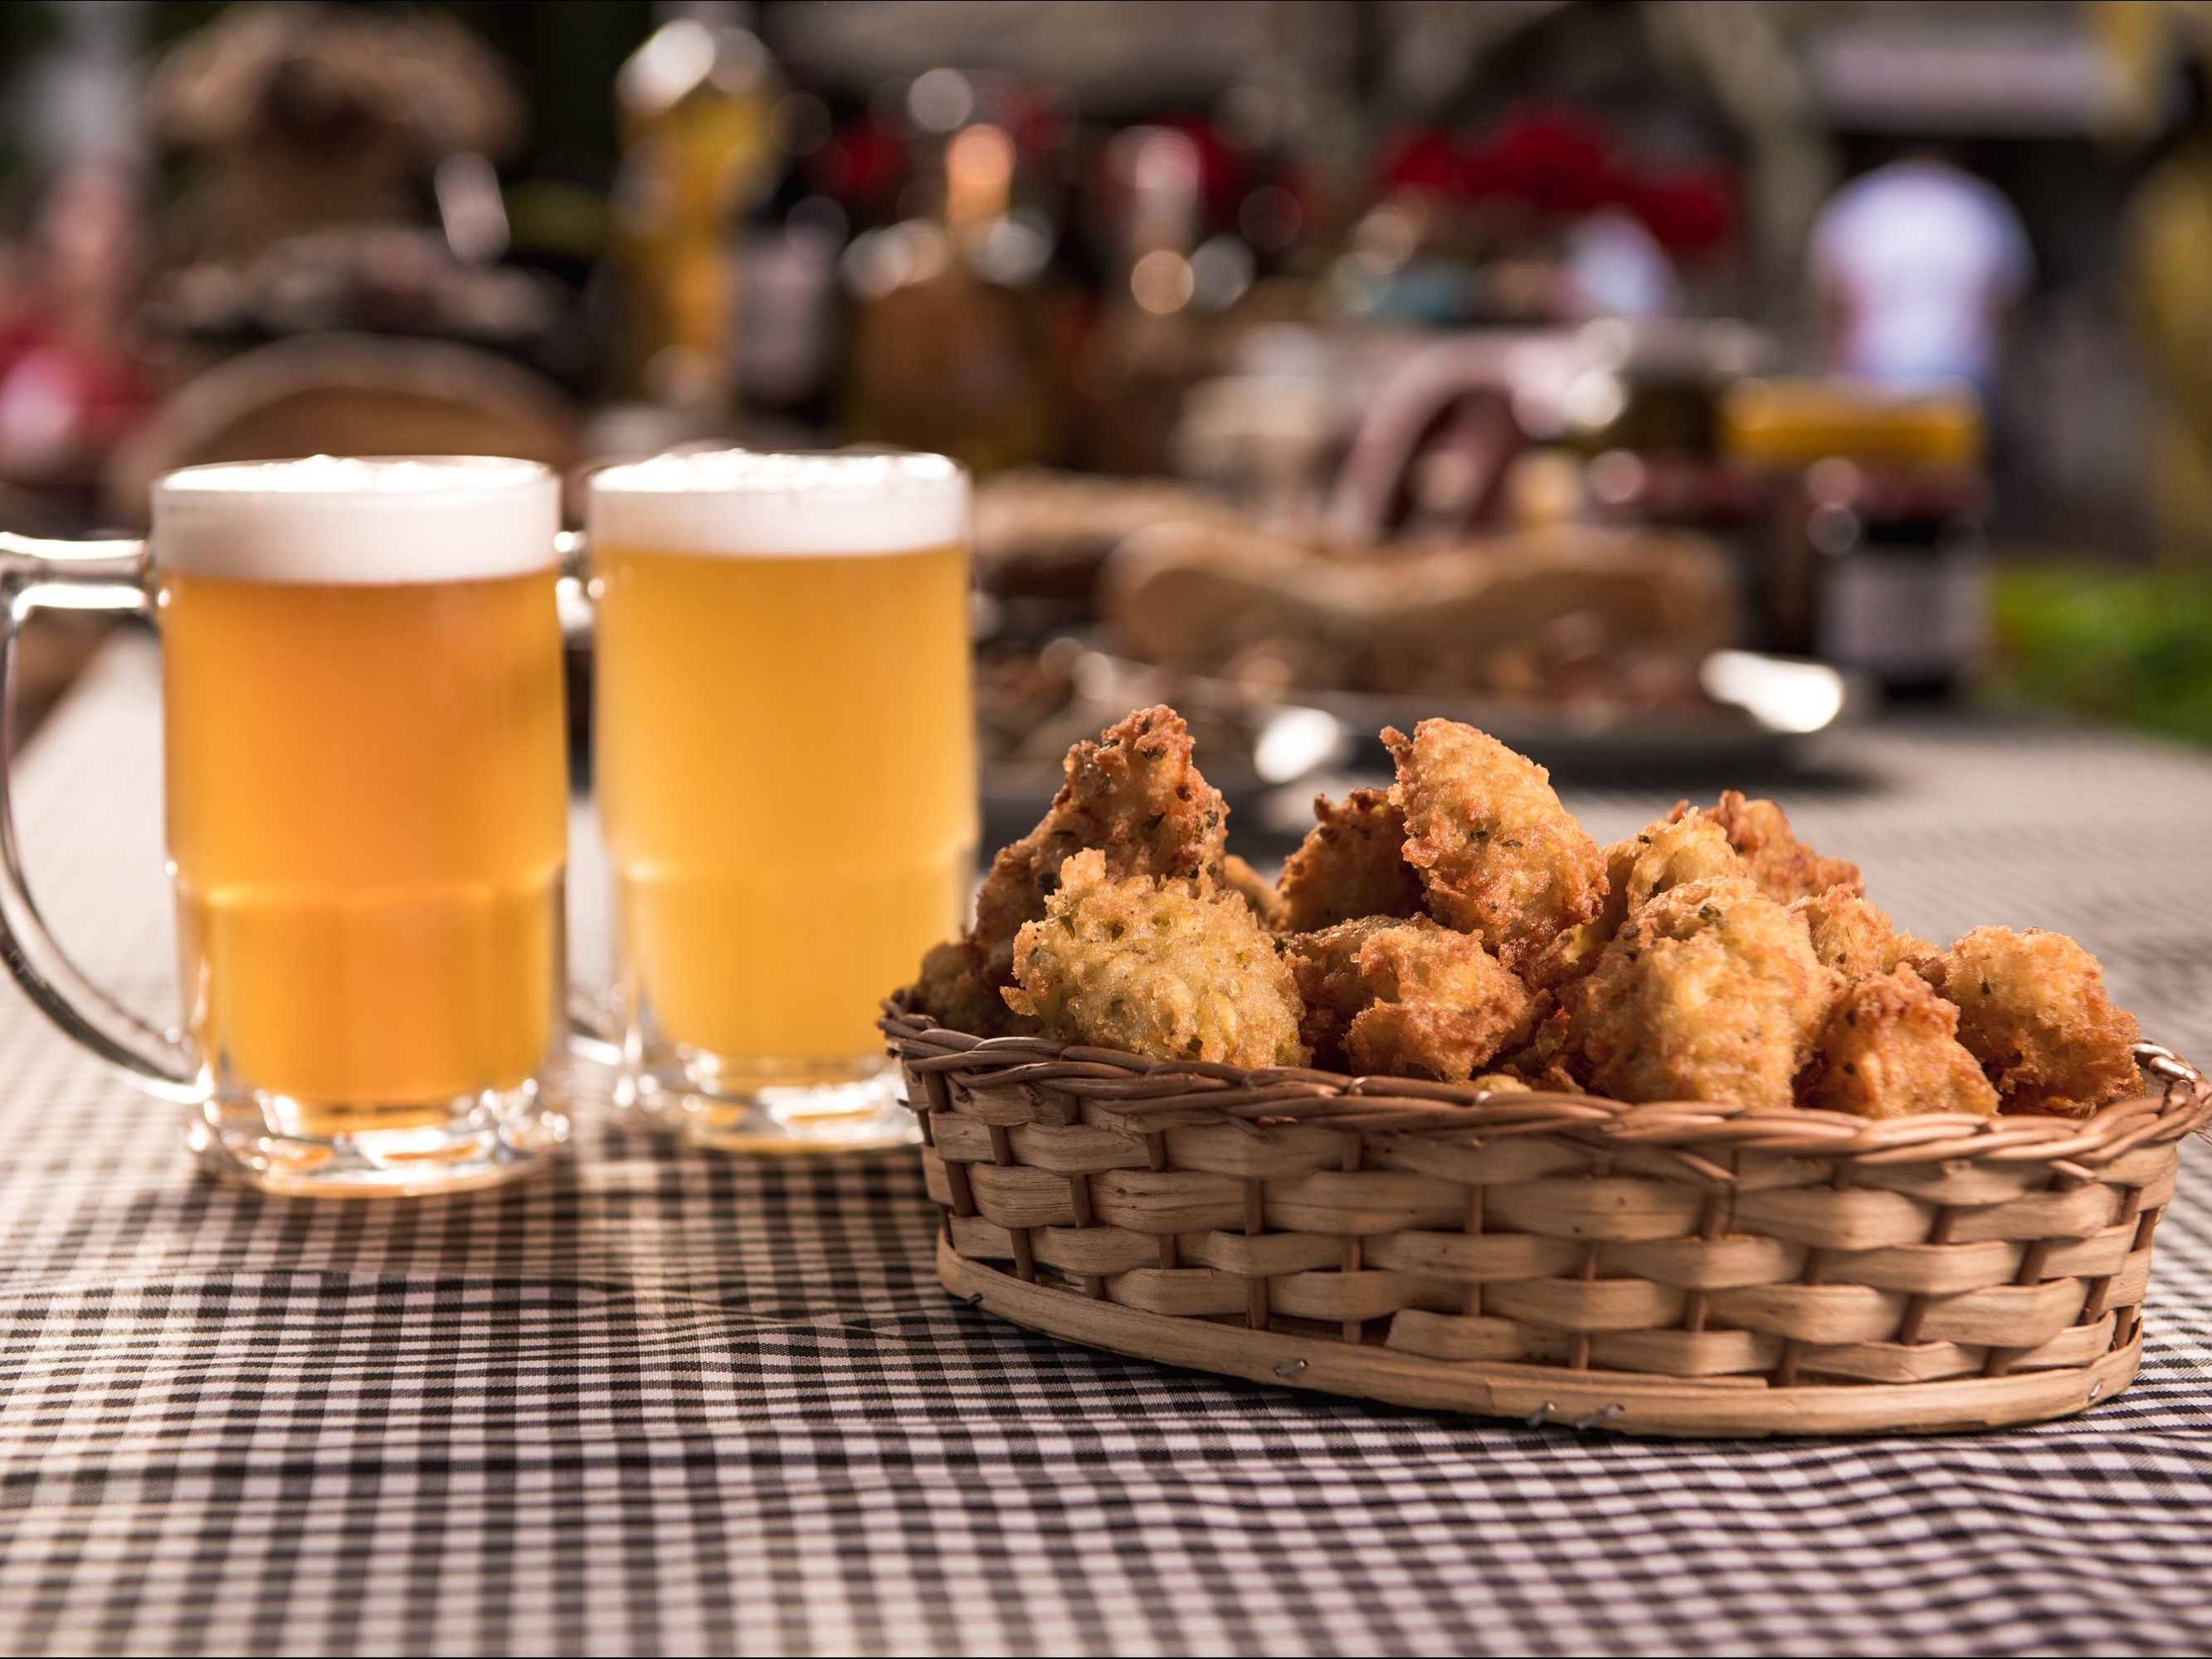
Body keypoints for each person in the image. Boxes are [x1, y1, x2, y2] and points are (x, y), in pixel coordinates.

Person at [1809, 153, 2032, 394]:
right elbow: (2004, 304)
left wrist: (1831, 371)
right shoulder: (1982, 203)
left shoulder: (1856, 202)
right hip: (1959, 372)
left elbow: (1832, 301)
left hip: (1876, 368)